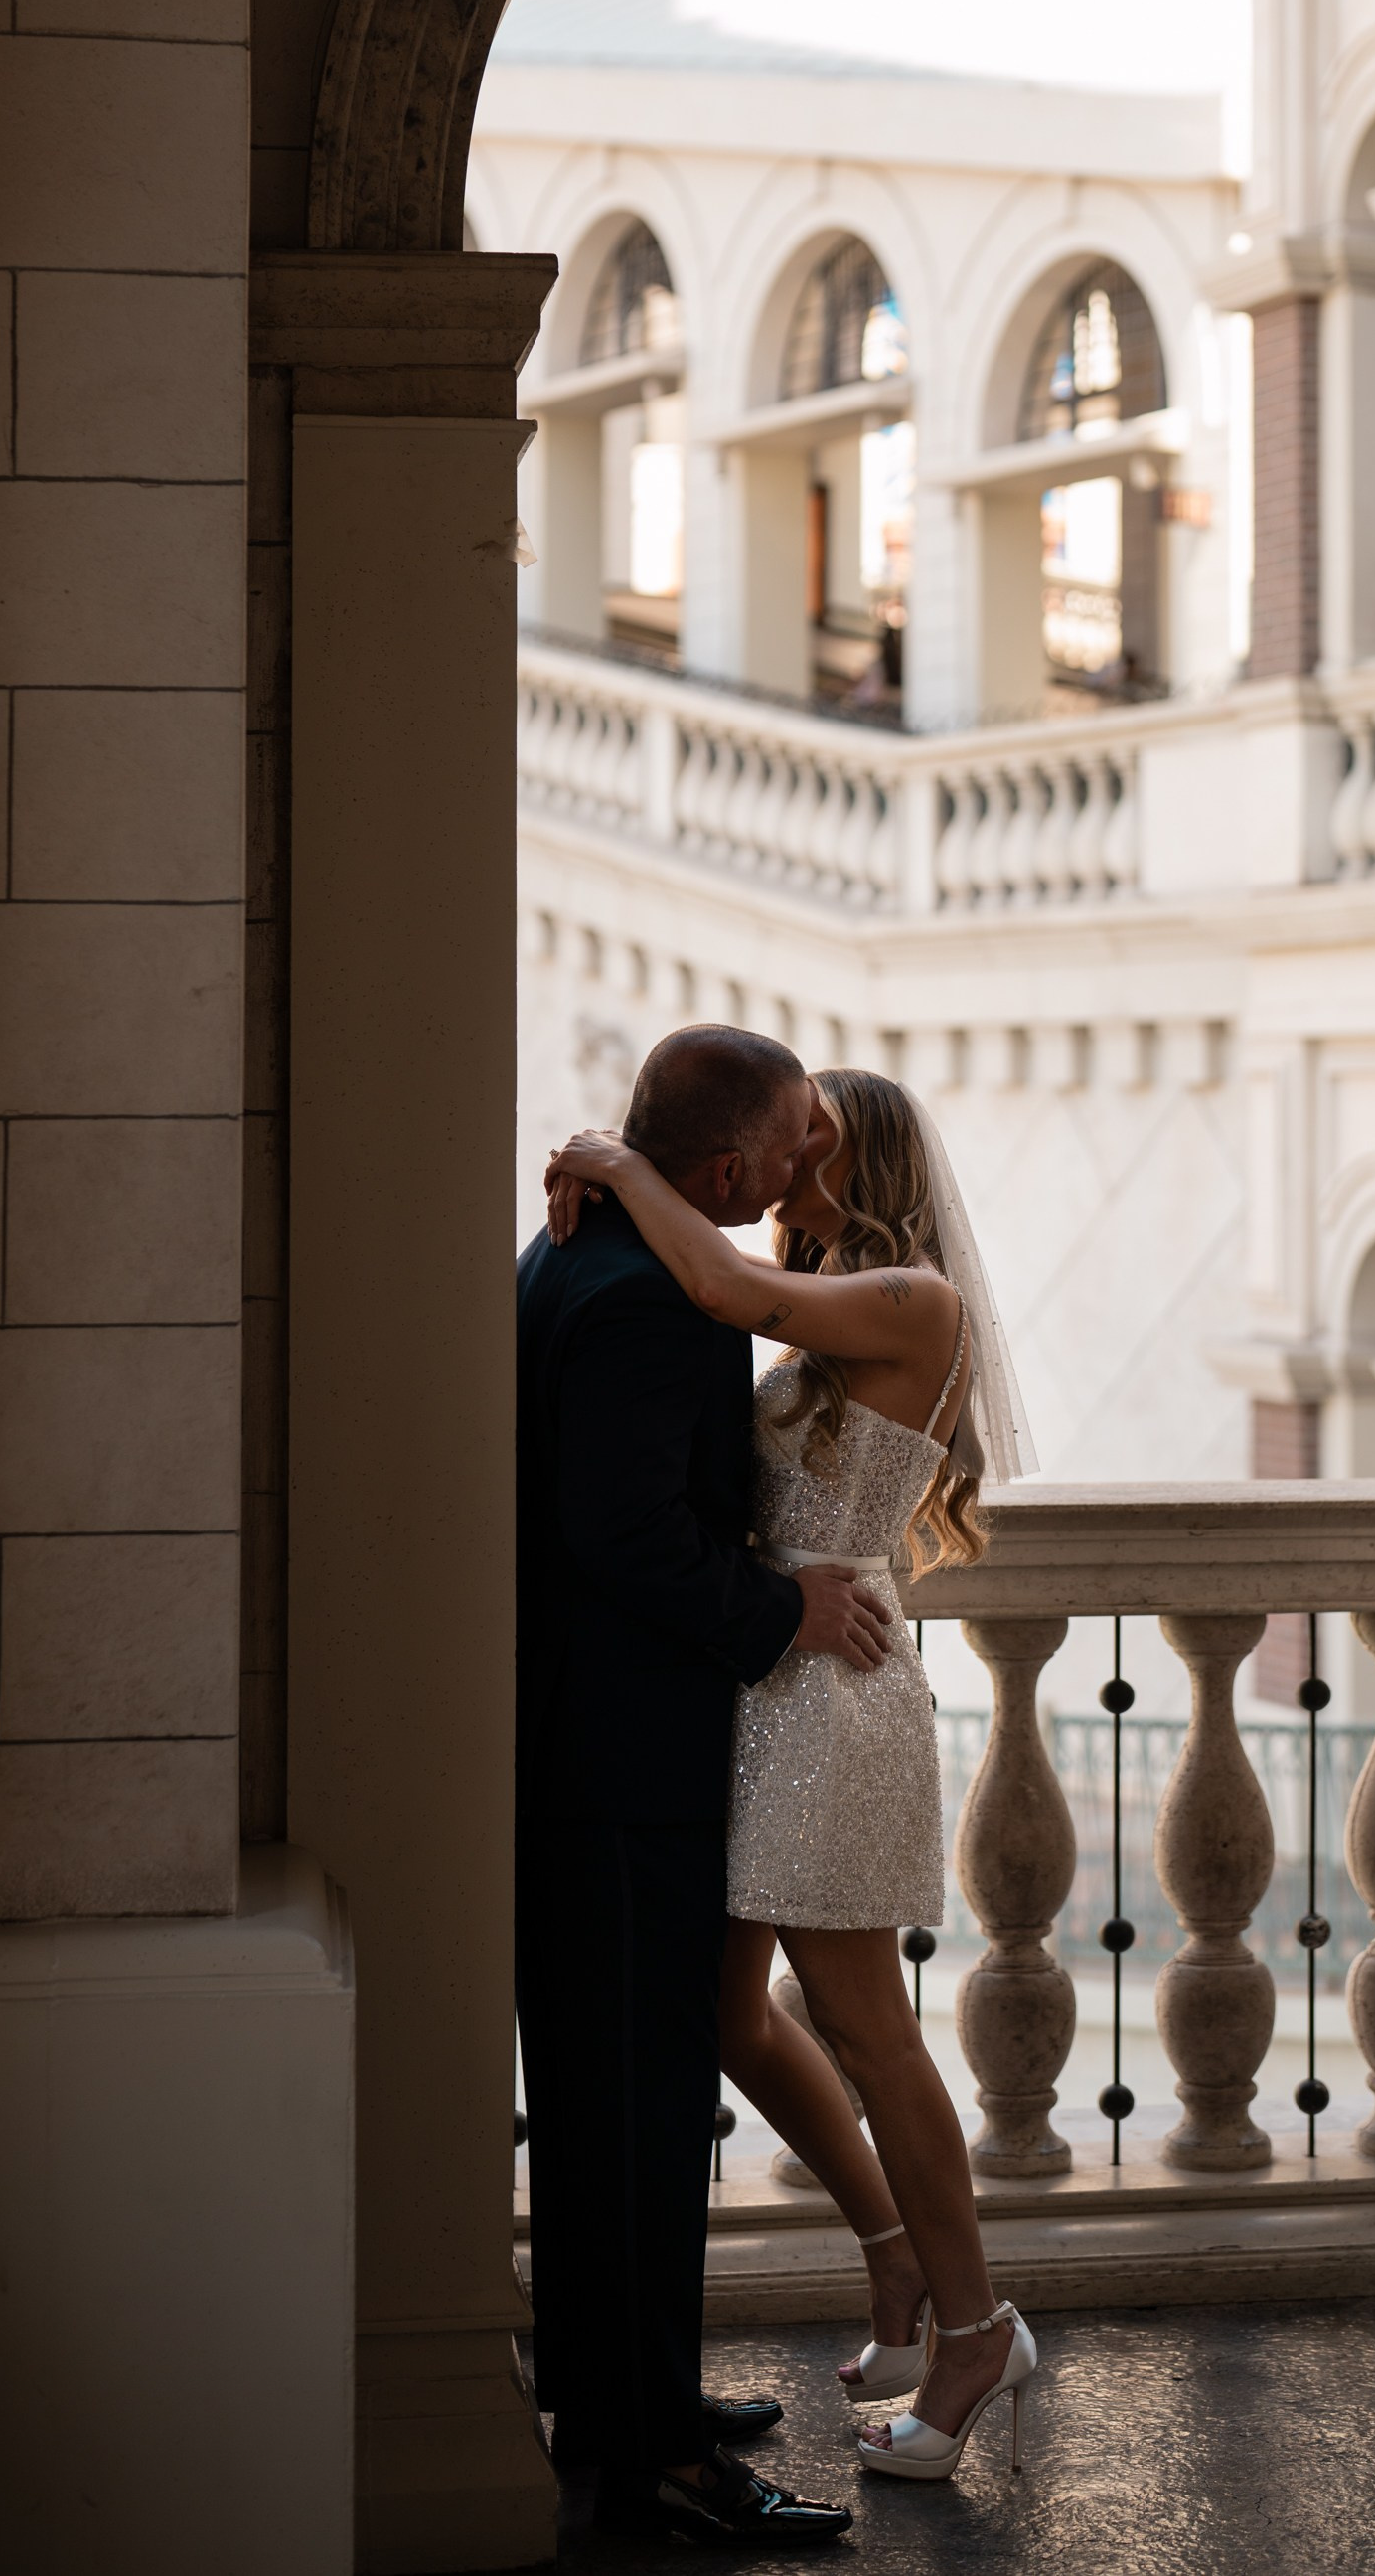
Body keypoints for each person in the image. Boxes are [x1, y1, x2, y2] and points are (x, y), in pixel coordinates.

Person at [545, 1065, 1041, 2485]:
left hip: (835, 1698)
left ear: (857, 1153)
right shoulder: (836, 1312)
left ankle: (974, 2329)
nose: (776, 1159)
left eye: (805, 1134)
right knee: (729, 2009)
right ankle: (898, 2268)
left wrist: (615, 1160)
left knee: (867, 2028)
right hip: (777, 1688)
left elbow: (721, 1290)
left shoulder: (913, 1303)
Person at [516, 1022, 877, 2550]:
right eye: (799, 1135)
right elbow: (629, 1540)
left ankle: (625, 2393)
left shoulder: (570, 1254)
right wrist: (780, 1609)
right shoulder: (660, 1302)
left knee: (615, 2112)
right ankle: (656, 2450)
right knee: (640, 2119)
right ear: (725, 1168)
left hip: (581, 1757)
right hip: (619, 1773)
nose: (817, 1155)